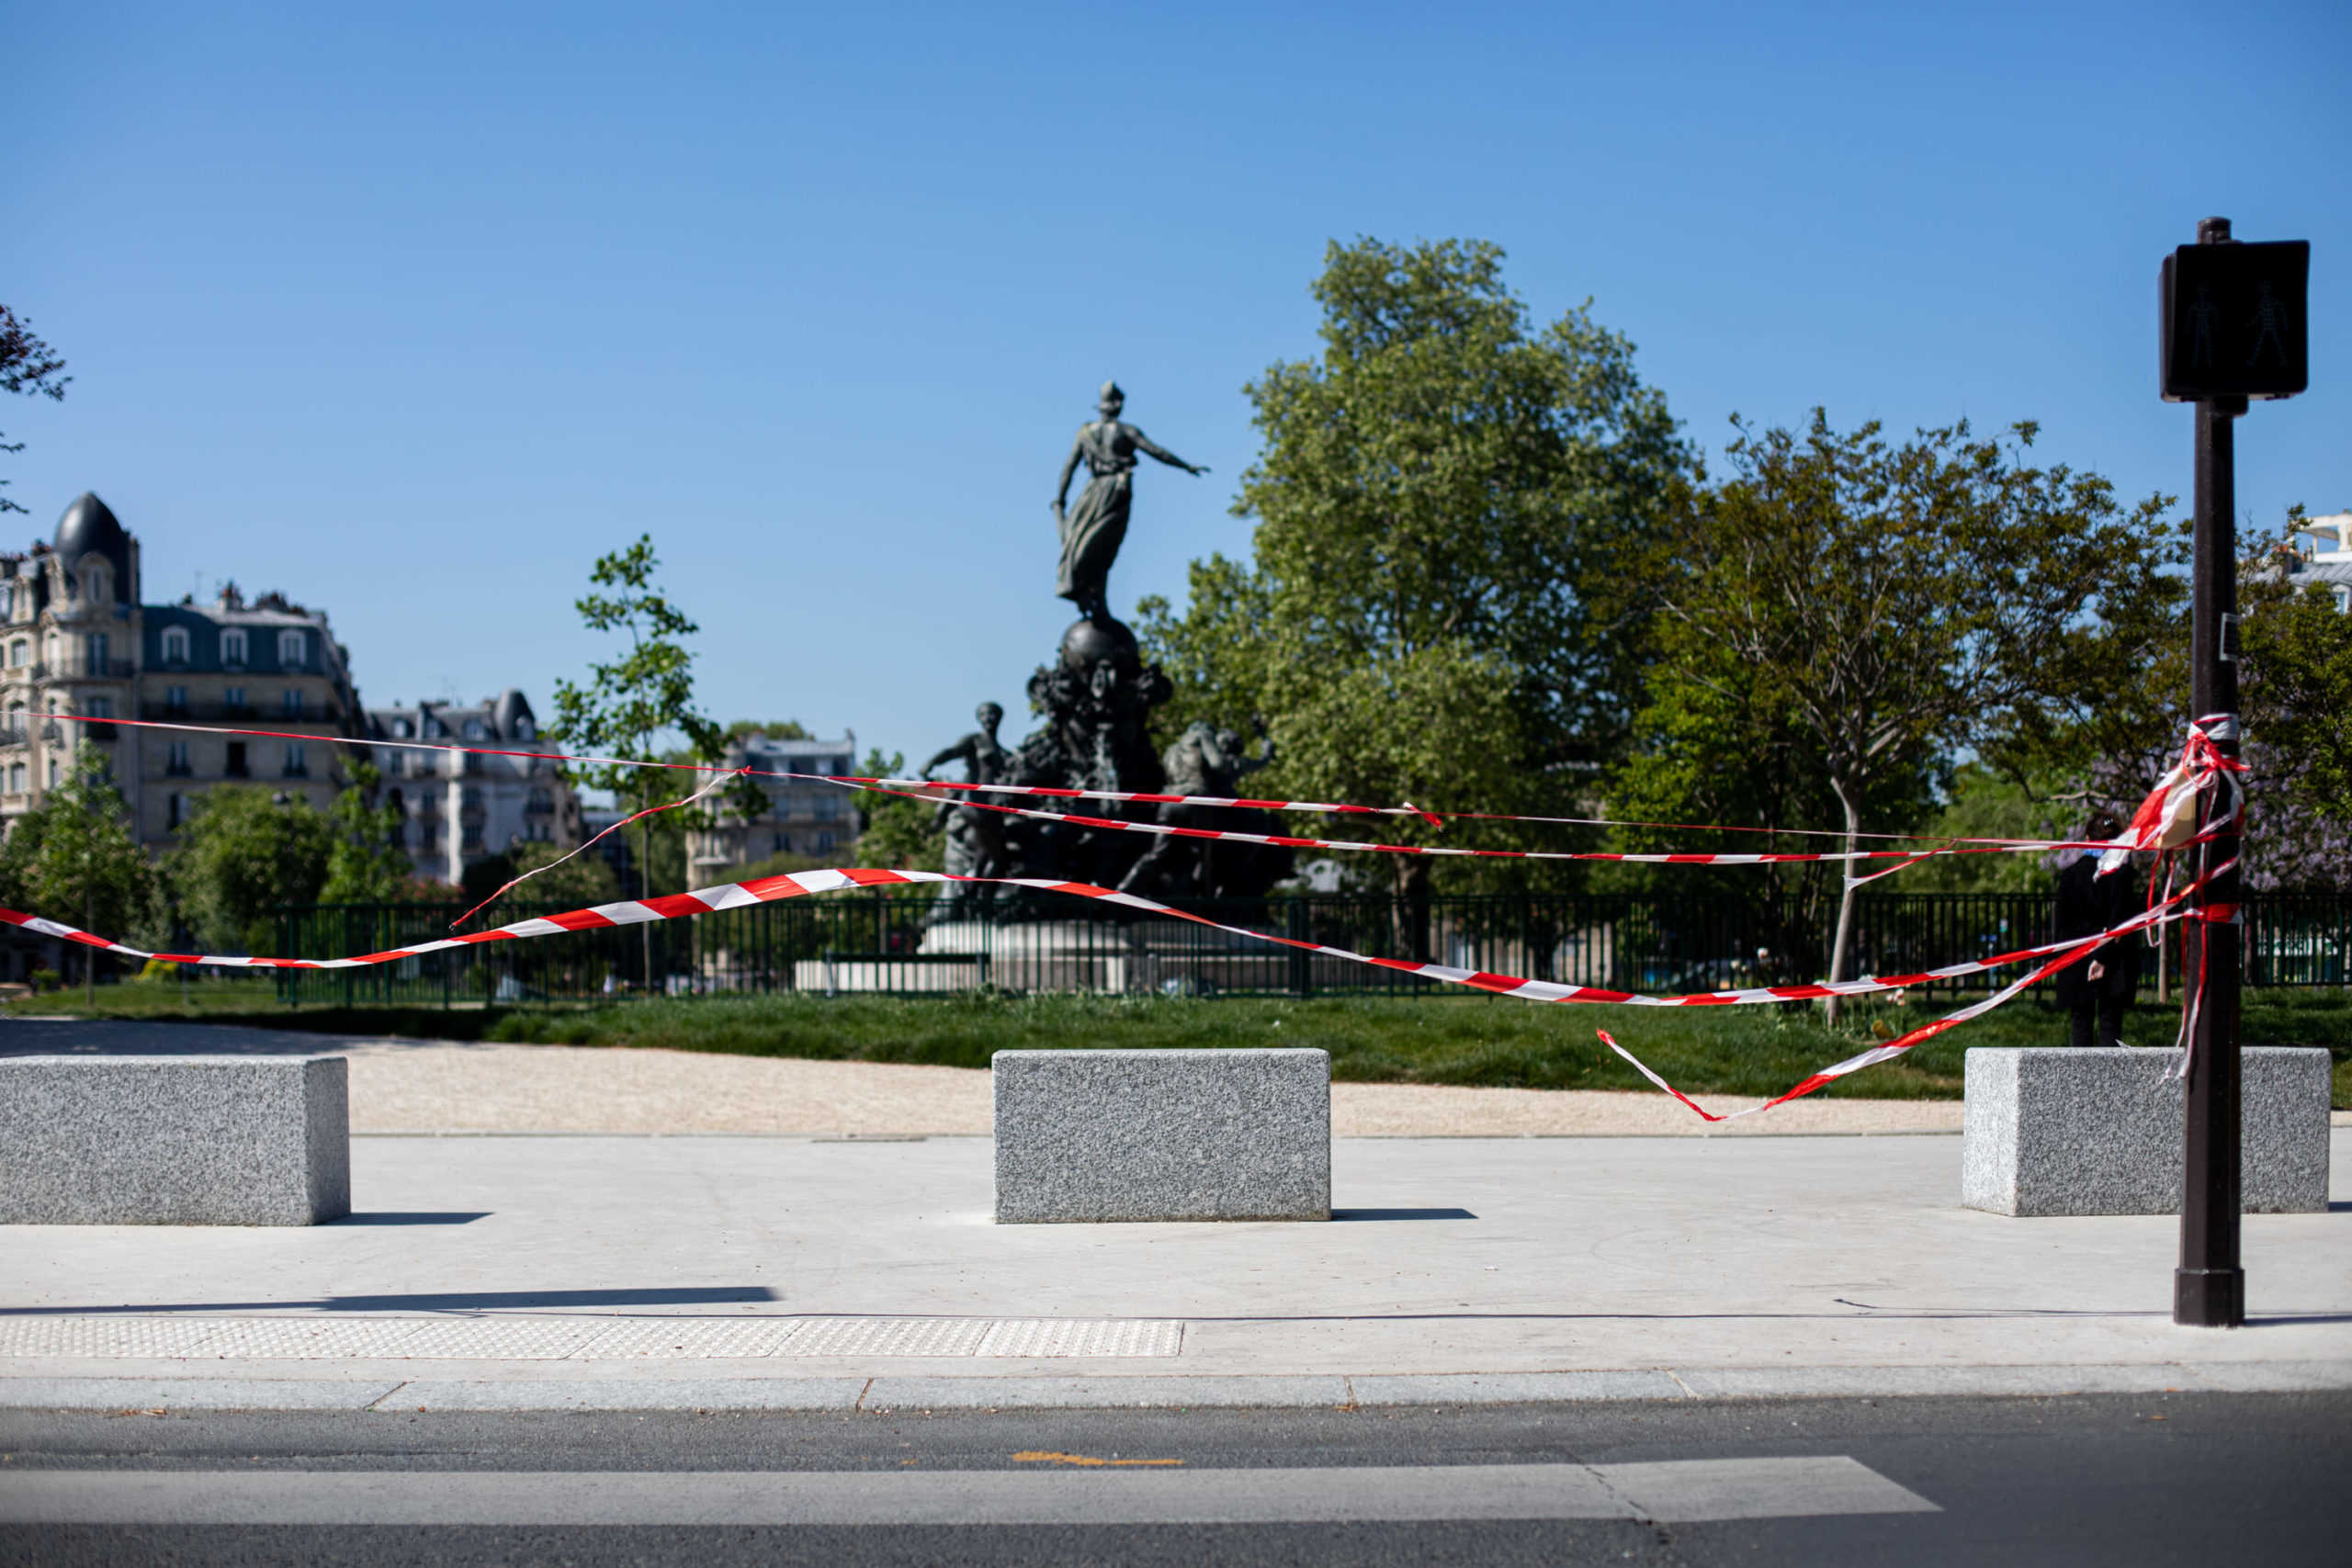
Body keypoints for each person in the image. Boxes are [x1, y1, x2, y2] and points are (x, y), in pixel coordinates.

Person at [1050, 382, 1207, 624]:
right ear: (1114, 406)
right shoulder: (1106, 433)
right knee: (1092, 548)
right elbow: (1156, 452)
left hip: (1102, 494)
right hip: (1106, 493)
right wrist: (1059, 498)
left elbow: (1069, 468)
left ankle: (1096, 599)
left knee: (1094, 546)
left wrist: (1061, 498)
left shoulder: (1104, 432)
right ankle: (1090, 596)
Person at [2053, 812, 2141, 1047]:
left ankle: (2080, 1081)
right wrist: (2102, 955)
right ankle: (2110, 1082)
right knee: (2110, 1025)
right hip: (2113, 957)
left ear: (2087, 837)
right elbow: (2121, 920)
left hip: (2077, 956)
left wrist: (2090, 949)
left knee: (2080, 1023)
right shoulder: (2122, 875)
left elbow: (2063, 923)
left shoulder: (2070, 876)